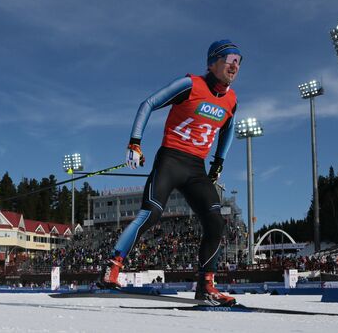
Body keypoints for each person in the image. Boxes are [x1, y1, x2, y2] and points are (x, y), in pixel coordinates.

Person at [99, 39, 242, 306]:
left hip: (196, 168)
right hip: (171, 160)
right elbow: (148, 103)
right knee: (151, 213)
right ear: (212, 63)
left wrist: (218, 162)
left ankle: (206, 286)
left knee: (216, 222)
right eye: (229, 59)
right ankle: (112, 267)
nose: (234, 65)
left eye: (239, 61)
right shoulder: (191, 84)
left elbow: (229, 127)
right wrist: (135, 142)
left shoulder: (232, 100)